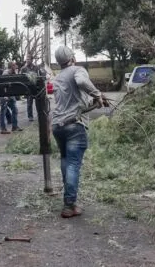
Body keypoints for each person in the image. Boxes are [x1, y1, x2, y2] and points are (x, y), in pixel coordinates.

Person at [51, 45, 107, 218]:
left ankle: (69, 200)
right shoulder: (78, 70)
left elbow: (74, 106)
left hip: (57, 126)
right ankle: (69, 205)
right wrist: (98, 95)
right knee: (74, 164)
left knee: (66, 160)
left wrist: (94, 104)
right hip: (74, 127)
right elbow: (82, 82)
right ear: (72, 58)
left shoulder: (58, 77)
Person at [0, 61, 22, 134]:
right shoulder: (6, 73)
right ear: (11, 66)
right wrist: (5, 95)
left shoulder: (13, 73)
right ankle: (3, 129)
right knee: (3, 111)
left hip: (11, 94)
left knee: (15, 109)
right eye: (14, 65)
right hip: (4, 94)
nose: (15, 67)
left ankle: (14, 127)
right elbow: (3, 85)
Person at [20, 55, 38, 122]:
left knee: (38, 102)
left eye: (29, 59)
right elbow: (20, 77)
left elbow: (39, 76)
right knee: (29, 103)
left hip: (35, 87)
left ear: (32, 60)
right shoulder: (23, 68)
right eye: (26, 59)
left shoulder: (36, 67)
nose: (27, 60)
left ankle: (39, 115)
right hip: (28, 87)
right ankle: (30, 116)